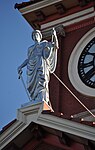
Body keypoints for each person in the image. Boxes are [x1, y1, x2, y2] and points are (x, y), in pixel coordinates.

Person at [18, 28, 59, 104]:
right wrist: (20, 66)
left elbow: (55, 46)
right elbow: (28, 59)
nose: (35, 36)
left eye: (37, 35)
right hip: (32, 67)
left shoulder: (44, 44)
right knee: (33, 84)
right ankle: (35, 98)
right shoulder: (30, 48)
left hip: (41, 64)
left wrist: (54, 35)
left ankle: (42, 97)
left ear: (40, 36)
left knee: (42, 81)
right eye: (34, 35)